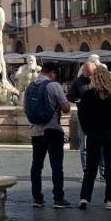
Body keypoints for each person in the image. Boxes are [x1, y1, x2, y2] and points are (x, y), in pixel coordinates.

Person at [26, 61, 72, 209]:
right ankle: (58, 198)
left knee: (36, 165)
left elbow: (25, 109)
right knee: (56, 165)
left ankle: (36, 198)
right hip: (52, 129)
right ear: (52, 73)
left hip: (35, 131)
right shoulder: (54, 85)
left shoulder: (29, 87)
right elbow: (66, 108)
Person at [77, 66, 111, 210]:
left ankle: (84, 197)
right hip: (109, 133)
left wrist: (87, 130)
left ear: (94, 78)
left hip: (93, 133)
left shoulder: (87, 95)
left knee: (91, 166)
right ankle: (109, 199)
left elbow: (82, 115)